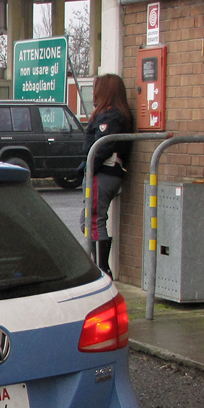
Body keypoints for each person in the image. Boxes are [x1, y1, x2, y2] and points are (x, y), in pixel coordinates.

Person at [82, 73, 134, 276]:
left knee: (94, 219)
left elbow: (103, 145)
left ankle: (103, 269)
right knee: (88, 220)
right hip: (107, 173)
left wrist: (88, 166)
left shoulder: (110, 116)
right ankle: (101, 266)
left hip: (103, 173)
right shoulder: (114, 114)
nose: (93, 92)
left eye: (97, 88)